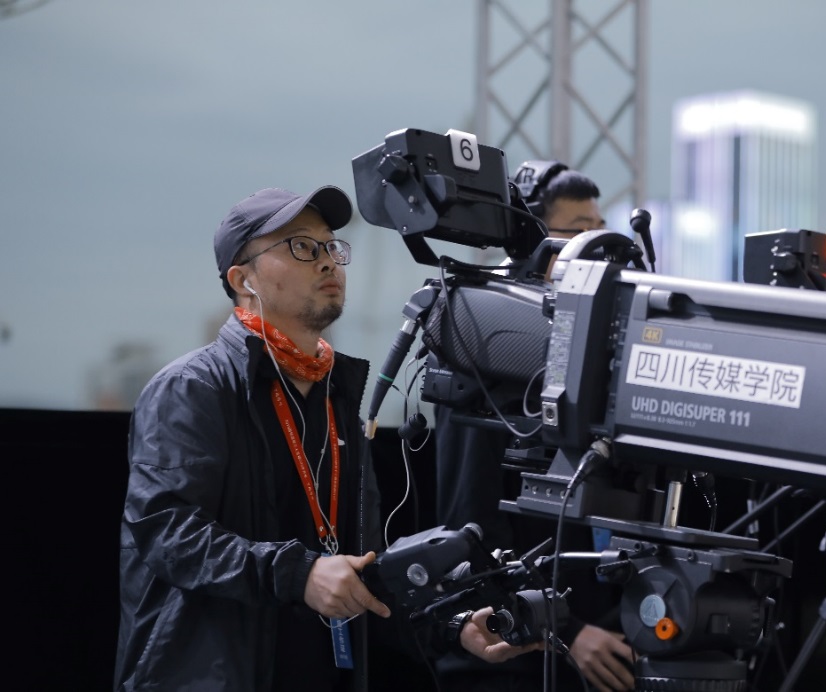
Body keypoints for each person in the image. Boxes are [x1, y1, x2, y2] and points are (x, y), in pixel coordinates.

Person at [115, 185, 539, 692]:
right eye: (300, 246)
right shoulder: (193, 387)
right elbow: (167, 533)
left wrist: (451, 626)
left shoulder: (335, 394)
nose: (326, 260)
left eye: (330, 246)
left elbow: (359, 570)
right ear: (243, 279)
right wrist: (301, 575)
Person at [435, 163, 637, 692]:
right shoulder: (486, 343)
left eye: (601, 231)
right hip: (514, 656)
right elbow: (471, 523)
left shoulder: (593, 349)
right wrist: (567, 630)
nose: (596, 250)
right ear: (533, 242)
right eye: (577, 233)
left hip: (597, 641)